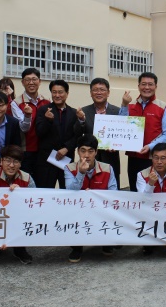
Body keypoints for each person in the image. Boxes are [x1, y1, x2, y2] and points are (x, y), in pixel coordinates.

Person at [64, 134, 118, 262]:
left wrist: (94, 196)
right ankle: (77, 247)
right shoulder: (69, 168)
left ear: (96, 152)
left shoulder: (108, 168)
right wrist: (81, 173)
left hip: (101, 208)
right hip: (78, 209)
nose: (86, 155)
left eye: (90, 151)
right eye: (83, 151)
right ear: (77, 152)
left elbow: (114, 193)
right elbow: (70, 191)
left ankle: (106, 243)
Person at [0, 145, 35, 264]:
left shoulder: (27, 178)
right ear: (1, 161)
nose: (11, 165)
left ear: (20, 164)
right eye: (8, 160)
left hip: (18, 214)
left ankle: (19, 249)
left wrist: (20, 195)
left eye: (16, 161)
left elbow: (34, 202)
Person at [74, 78, 130, 187]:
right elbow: (77, 134)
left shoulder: (117, 111)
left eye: (102, 90)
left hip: (111, 159)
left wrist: (116, 145)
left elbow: (124, 133)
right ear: (91, 93)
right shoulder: (83, 111)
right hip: (89, 161)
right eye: (95, 90)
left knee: (112, 192)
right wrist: (81, 120)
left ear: (108, 92)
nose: (98, 92)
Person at [126, 72, 166, 192]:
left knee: (154, 192)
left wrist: (150, 146)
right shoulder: (129, 106)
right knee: (134, 192)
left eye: (150, 84)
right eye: (143, 84)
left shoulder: (163, 107)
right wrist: (123, 105)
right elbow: (121, 126)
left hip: (153, 158)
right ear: (138, 86)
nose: (147, 87)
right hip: (133, 158)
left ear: (156, 86)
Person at [35, 80, 78, 189]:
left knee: (67, 192)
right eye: (54, 92)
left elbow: (77, 135)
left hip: (66, 160)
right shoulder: (43, 110)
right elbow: (39, 132)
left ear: (67, 94)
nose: (57, 95)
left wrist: (67, 148)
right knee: (45, 191)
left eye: (60, 92)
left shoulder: (74, 113)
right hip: (46, 161)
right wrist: (48, 121)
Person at [14, 68, 50, 179]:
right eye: (27, 80)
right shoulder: (17, 103)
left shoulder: (47, 102)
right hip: (26, 151)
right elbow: (23, 128)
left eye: (34, 79)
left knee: (42, 183)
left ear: (39, 81)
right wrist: (27, 116)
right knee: (26, 182)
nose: (31, 82)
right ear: (22, 82)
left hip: (43, 151)